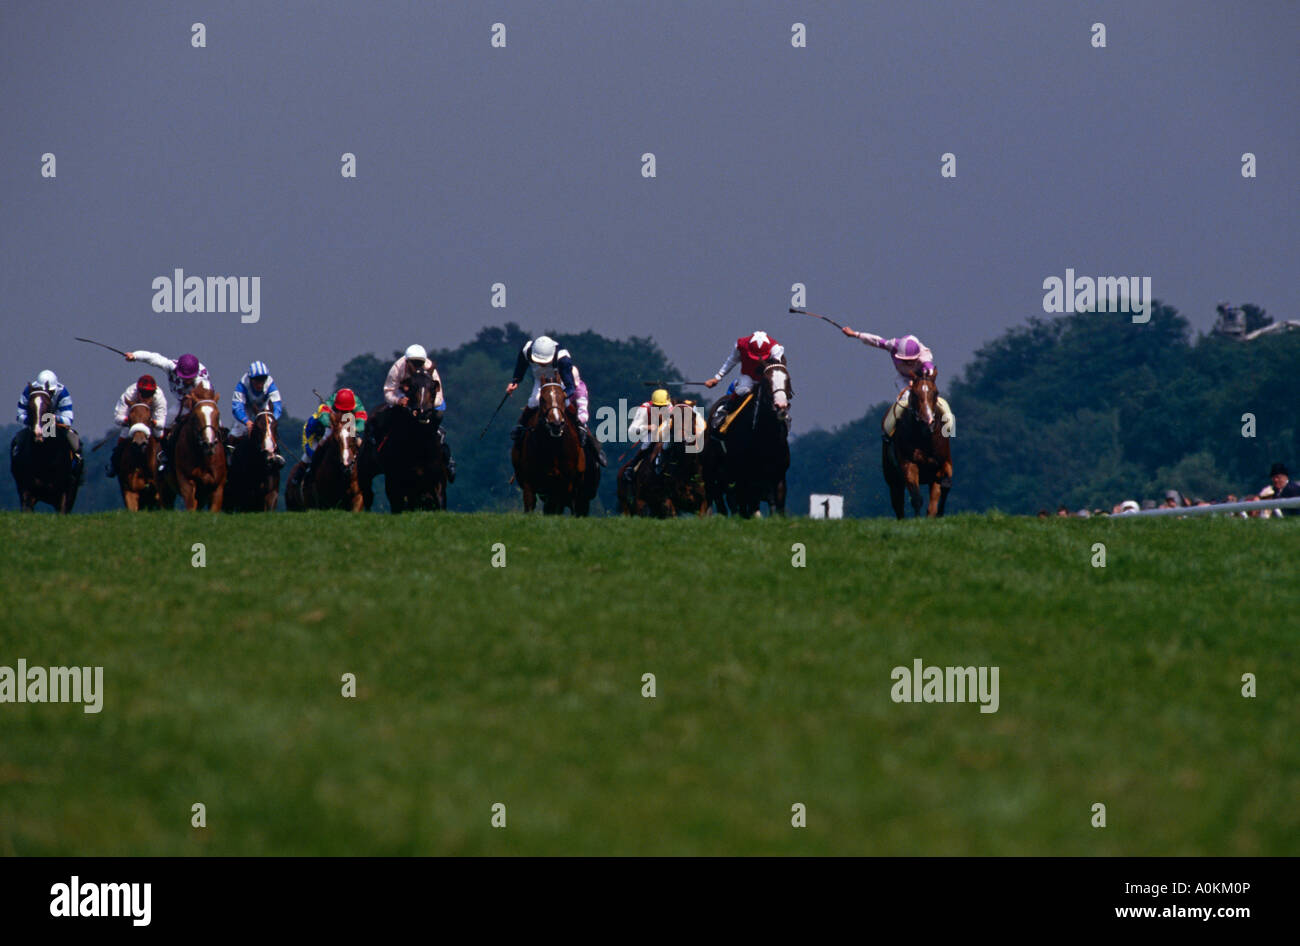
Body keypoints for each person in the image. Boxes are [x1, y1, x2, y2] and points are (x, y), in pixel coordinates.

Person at [838, 325, 953, 444]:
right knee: (904, 400)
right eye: (904, 360)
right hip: (903, 379)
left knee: (929, 398)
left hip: (922, 379)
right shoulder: (893, 345)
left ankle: (948, 430)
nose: (908, 363)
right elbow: (876, 340)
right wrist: (855, 334)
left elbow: (929, 373)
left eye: (911, 360)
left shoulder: (925, 357)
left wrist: (919, 381)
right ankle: (888, 433)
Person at [506, 335, 607, 466]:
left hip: (561, 382)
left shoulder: (563, 359)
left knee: (566, 405)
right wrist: (515, 381)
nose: (541, 364)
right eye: (538, 361)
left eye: (544, 362)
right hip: (541, 380)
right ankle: (521, 426)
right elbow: (521, 364)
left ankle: (592, 444)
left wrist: (558, 398)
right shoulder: (527, 350)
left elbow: (570, 387)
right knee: (534, 401)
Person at [376, 344, 455, 482]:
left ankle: (448, 461)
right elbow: (388, 391)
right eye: (414, 363)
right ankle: (381, 455)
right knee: (385, 418)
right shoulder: (397, 368)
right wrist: (399, 401)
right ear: (407, 361)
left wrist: (424, 409)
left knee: (439, 416)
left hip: (426, 404)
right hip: (404, 398)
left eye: (420, 363)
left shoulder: (431, 370)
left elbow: (439, 397)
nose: (417, 365)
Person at [123, 350, 210, 471]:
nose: (187, 381)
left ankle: (225, 451)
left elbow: (206, 397)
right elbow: (154, 358)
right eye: (184, 378)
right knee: (167, 422)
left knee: (213, 423)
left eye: (189, 378)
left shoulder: (202, 379)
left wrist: (193, 400)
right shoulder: (171, 367)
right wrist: (135, 356)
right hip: (182, 404)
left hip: (201, 404)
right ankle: (166, 454)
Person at [703, 331, 788, 428]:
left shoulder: (776, 349)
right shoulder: (741, 345)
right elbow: (731, 361)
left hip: (767, 380)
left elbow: (778, 369)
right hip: (748, 376)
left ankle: (784, 416)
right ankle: (724, 410)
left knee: (777, 394)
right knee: (743, 390)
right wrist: (717, 377)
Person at [290, 388, 367, 493]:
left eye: (346, 411)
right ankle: (302, 476)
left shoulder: (356, 403)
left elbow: (362, 420)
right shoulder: (330, 403)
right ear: (336, 407)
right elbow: (324, 417)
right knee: (319, 446)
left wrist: (352, 429)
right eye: (341, 411)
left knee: (360, 443)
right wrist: (332, 424)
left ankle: (365, 476)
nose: (343, 413)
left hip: (348, 427)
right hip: (324, 429)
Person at [14, 369, 83, 482]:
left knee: (75, 443)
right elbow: (20, 415)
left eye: (51, 392)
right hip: (33, 424)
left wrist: (52, 419)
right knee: (17, 443)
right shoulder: (29, 390)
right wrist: (35, 420)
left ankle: (75, 470)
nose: (49, 394)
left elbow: (68, 419)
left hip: (55, 424)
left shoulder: (63, 392)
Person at [106, 374, 167, 478]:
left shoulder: (159, 397)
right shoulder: (129, 394)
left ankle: (165, 461)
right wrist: (128, 420)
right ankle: (114, 464)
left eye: (149, 393)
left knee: (159, 434)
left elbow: (161, 423)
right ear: (138, 391)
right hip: (133, 420)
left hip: (151, 418)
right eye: (144, 393)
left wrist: (153, 422)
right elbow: (118, 417)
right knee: (124, 435)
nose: (146, 396)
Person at [228, 361, 285, 466]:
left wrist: (272, 418)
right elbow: (237, 408)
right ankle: (230, 458)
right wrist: (247, 422)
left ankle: (276, 455)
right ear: (250, 379)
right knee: (237, 431)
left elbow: (277, 405)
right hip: (247, 407)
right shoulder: (242, 385)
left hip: (264, 406)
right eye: (256, 381)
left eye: (262, 380)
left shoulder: (270, 384)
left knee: (268, 427)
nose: (260, 384)